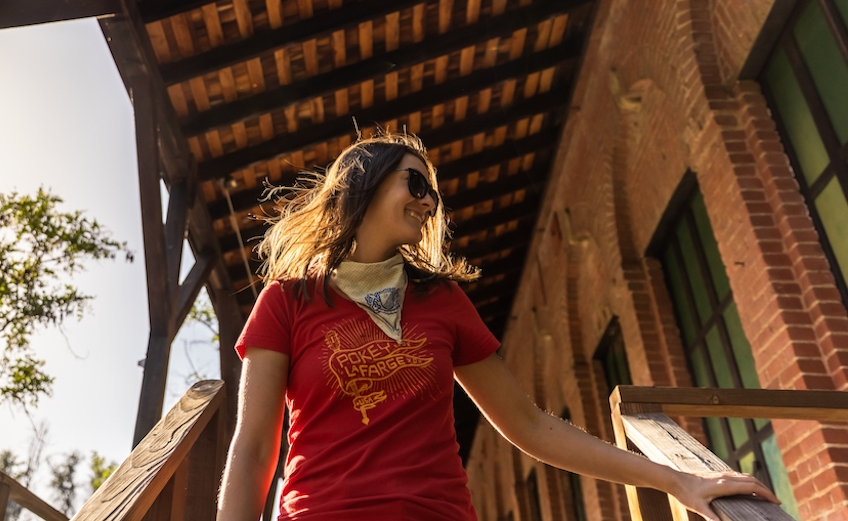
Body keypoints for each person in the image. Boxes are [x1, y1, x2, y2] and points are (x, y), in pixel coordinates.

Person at [215, 132, 780, 521]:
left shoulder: (443, 301)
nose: (429, 202)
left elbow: (530, 427)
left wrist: (676, 480)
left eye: (432, 193)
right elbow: (254, 444)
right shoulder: (287, 302)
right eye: (415, 185)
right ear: (361, 189)